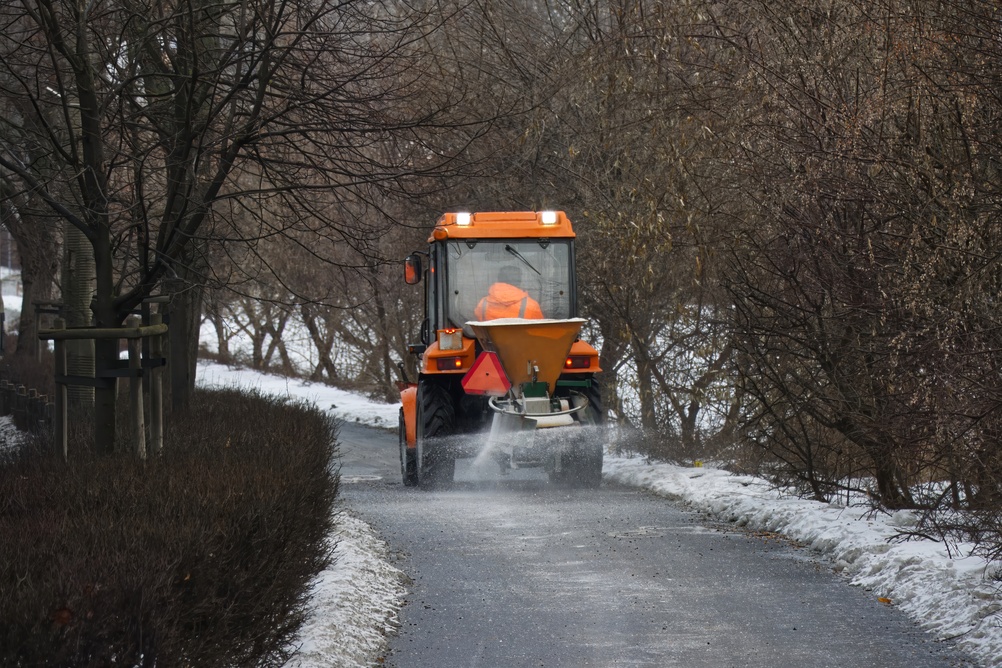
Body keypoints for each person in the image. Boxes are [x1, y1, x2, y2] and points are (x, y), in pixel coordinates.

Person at [474, 265, 544, 320]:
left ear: (499, 279)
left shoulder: (483, 304)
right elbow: (539, 331)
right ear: (519, 281)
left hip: (490, 339)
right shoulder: (531, 305)